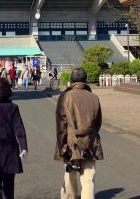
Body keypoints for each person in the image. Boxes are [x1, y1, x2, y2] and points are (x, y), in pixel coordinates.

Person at [55, 67, 103, 199]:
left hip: (71, 141)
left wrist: (61, 146)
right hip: (90, 141)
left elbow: (61, 125)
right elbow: (98, 123)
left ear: (71, 80)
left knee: (70, 176)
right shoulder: (94, 97)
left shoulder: (65, 96)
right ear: (85, 80)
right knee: (88, 178)